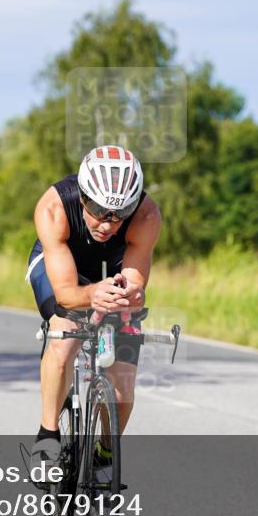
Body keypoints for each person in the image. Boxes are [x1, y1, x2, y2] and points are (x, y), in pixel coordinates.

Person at [26, 146, 161, 482]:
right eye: (100, 210)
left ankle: (105, 449)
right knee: (64, 339)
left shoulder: (144, 216)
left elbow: (135, 285)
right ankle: (48, 435)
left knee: (123, 386)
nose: (108, 223)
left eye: (120, 212)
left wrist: (130, 296)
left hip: (113, 266)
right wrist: (91, 295)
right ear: (84, 198)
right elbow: (67, 293)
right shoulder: (54, 207)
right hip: (62, 265)